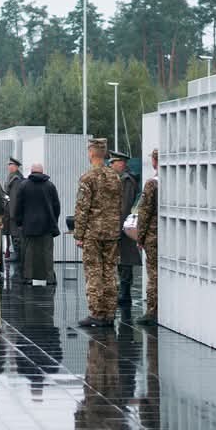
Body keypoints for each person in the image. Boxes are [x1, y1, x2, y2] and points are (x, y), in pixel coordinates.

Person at [73, 138, 125, 328]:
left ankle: (97, 313)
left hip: (93, 233)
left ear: (92, 153)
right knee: (110, 272)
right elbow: (119, 205)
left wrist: (79, 235)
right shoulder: (115, 177)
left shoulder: (88, 178)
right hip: (111, 232)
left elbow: (82, 209)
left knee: (94, 272)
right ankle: (110, 313)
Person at [11, 160, 62, 286]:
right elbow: (56, 206)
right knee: (47, 252)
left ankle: (28, 277)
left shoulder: (24, 185)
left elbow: (18, 206)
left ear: (31, 171)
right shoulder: (50, 185)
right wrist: (54, 220)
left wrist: (19, 222)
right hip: (47, 224)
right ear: (42, 171)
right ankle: (50, 278)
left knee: (28, 252)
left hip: (28, 224)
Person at [133, 149, 162, 327]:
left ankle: (152, 311)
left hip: (153, 234)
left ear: (154, 161)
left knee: (153, 274)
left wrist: (140, 237)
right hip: (169, 234)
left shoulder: (152, 184)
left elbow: (144, 213)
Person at [115, 155, 142, 317]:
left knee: (125, 261)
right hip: (122, 227)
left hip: (124, 228)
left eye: (114, 162)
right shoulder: (122, 179)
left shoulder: (126, 181)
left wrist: (118, 228)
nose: (112, 165)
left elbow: (124, 207)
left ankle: (125, 294)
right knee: (122, 260)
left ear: (122, 163)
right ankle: (123, 293)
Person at [0, 157, 24, 272]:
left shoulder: (16, 179)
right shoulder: (12, 177)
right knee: (12, 234)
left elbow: (14, 198)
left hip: (13, 213)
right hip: (9, 211)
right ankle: (16, 253)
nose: (9, 166)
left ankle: (18, 255)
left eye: (11, 165)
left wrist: (14, 214)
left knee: (16, 235)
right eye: (9, 164)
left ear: (16, 166)